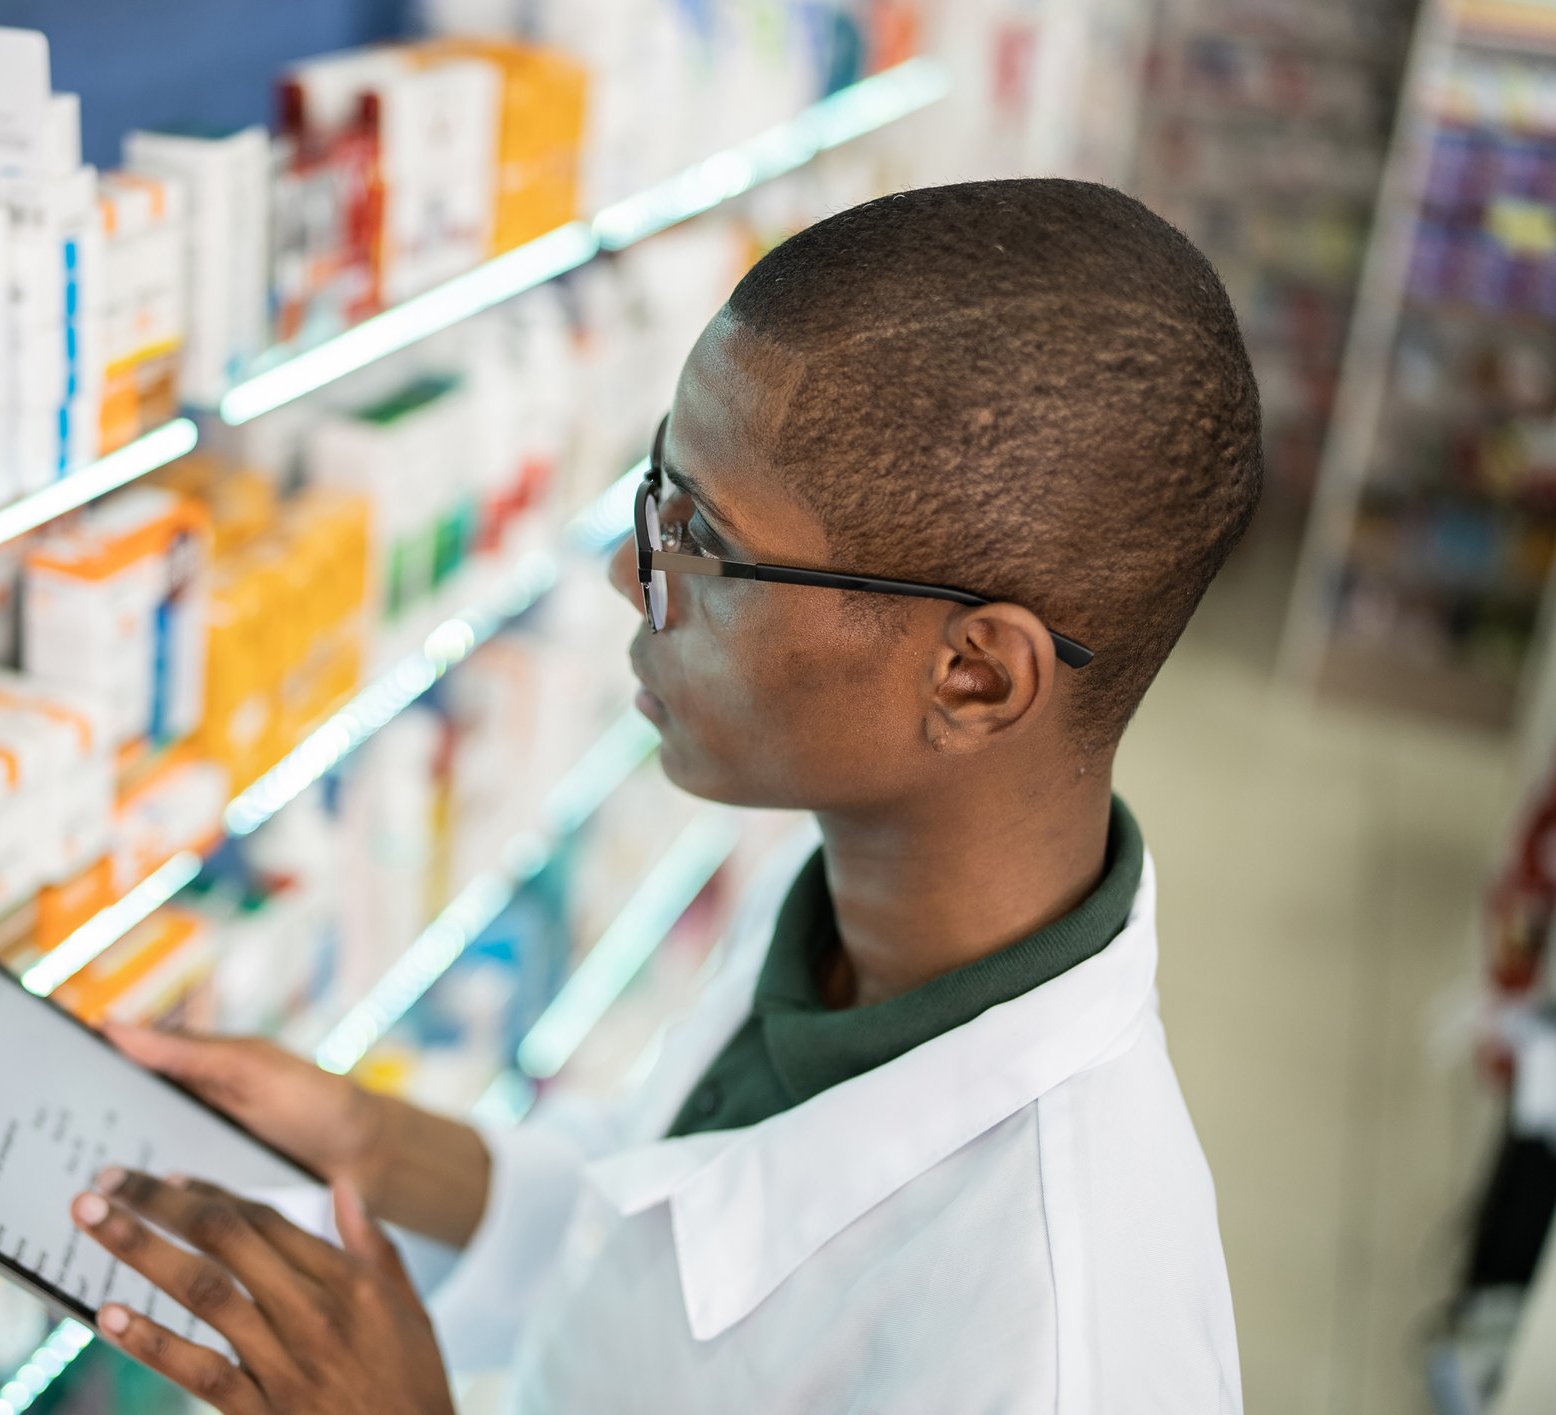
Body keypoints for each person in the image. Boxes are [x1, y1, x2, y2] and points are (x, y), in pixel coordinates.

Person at [65, 177, 1257, 1413]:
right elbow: (666, 1217)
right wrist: (374, 1143)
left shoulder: (1063, 1346)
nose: (627, 577)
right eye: (656, 497)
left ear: (970, 675)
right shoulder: (860, 910)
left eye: (701, 539)